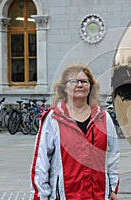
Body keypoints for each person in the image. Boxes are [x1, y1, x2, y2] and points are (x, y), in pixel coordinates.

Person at [30, 64, 120, 200]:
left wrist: (113, 188)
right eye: (73, 81)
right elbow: (41, 162)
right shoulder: (53, 119)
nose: (79, 85)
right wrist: (40, 196)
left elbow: (113, 155)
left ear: (90, 87)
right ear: (64, 88)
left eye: (84, 81)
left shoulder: (104, 118)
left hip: (98, 195)